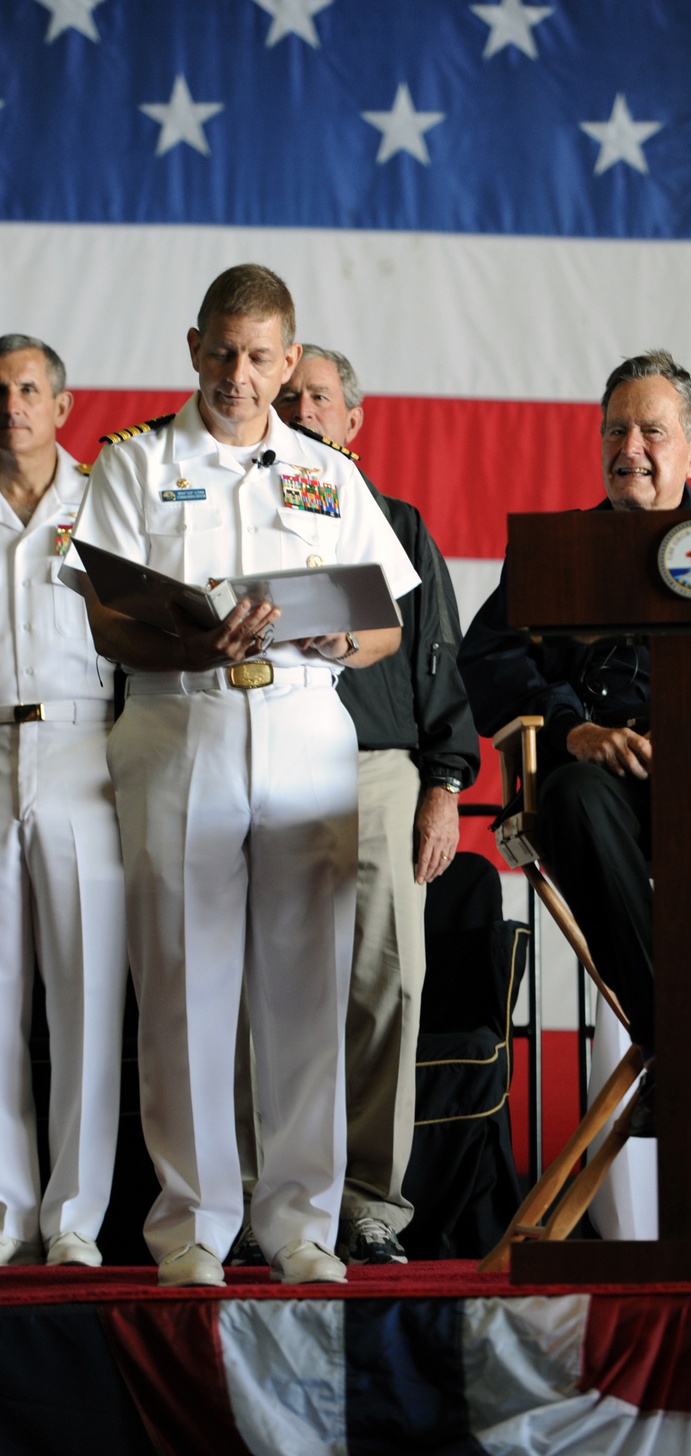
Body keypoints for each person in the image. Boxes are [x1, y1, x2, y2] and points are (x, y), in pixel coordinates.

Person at [71, 266, 420, 1287]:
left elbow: (385, 624)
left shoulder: (326, 473)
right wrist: (193, 649)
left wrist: (336, 638)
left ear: (289, 359)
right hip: (182, 728)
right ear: (192, 348)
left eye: (262, 357)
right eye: (223, 352)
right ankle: (191, 1228)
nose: (240, 375)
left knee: (306, 989)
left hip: (304, 726)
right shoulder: (135, 463)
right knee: (182, 986)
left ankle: (302, 1224)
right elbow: (104, 615)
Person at [458, 350, 691, 1179]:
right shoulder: (561, 551)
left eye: (652, 430)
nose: (631, 445)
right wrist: (570, 727)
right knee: (574, 795)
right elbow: (485, 663)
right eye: (616, 429)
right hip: (609, 773)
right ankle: (679, 1047)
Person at [275, 346, 480, 1265]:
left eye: (319, 396)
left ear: (354, 421)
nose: (303, 407)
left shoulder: (395, 524)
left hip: (379, 771)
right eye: (289, 397)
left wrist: (443, 788)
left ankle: (369, 1203)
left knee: (386, 985)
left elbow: (444, 670)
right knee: (255, 989)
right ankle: (255, 1198)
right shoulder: (243, 519)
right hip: (263, 765)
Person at [0, 334, 128, 1269]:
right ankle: (8, 1213)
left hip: (84, 741)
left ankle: (74, 1217)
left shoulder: (102, 501)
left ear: (61, 405)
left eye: (28, 388)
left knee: (84, 990)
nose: (12, 404)